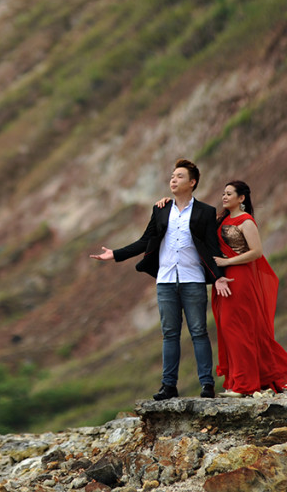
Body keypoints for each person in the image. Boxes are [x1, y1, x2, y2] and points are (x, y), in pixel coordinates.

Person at [90, 159, 232, 400]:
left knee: (198, 332)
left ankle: (207, 385)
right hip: (165, 280)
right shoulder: (161, 209)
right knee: (169, 333)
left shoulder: (205, 212)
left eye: (179, 176)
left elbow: (211, 247)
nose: (173, 180)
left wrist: (219, 277)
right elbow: (145, 240)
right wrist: (115, 254)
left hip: (193, 279)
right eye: (172, 176)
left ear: (192, 182)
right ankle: (169, 386)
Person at [210, 180, 287, 397]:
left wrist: (227, 262)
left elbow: (257, 252)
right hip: (224, 277)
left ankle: (244, 385)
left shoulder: (246, 221)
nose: (224, 196)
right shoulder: (222, 219)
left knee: (238, 328)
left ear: (242, 198)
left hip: (239, 276)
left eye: (229, 193)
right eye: (223, 193)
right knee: (227, 328)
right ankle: (237, 380)